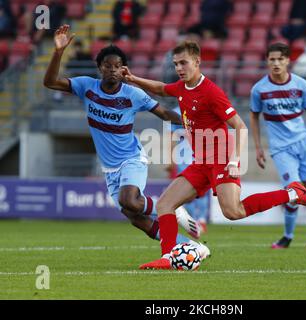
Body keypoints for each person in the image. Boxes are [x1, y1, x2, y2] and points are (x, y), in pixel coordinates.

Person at [122, 40, 306, 270]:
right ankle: (168, 257)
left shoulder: (211, 92)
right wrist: (133, 79)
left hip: (221, 159)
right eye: (176, 64)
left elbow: (240, 126)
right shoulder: (180, 87)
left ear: (197, 62)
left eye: (184, 63)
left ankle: (293, 192)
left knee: (233, 211)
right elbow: (159, 88)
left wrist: (236, 160)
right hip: (201, 163)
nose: (179, 68)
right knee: (165, 204)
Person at [43, 25, 208, 257]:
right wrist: (58, 52)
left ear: (123, 69)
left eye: (117, 66)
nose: (112, 70)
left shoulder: (133, 94)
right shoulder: (86, 87)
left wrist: (193, 122)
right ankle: (190, 247)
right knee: (135, 217)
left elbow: (163, 113)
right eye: (108, 66)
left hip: (132, 158)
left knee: (128, 199)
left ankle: (171, 208)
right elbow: (50, 82)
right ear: (100, 67)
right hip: (109, 169)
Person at [249, 43, 306, 249]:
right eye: (272, 59)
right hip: (280, 148)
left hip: (303, 142)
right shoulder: (259, 89)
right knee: (294, 190)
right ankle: (288, 236)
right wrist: (258, 147)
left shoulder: (301, 85)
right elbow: (254, 117)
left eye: (280, 59)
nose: (276, 63)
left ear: (287, 61)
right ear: (267, 61)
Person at [166, 106, 210, 233]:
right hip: (183, 159)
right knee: (186, 191)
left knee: (201, 190)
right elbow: (171, 137)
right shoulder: (174, 112)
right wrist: (171, 161)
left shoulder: (202, 107)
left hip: (201, 157)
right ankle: (193, 220)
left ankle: (201, 219)